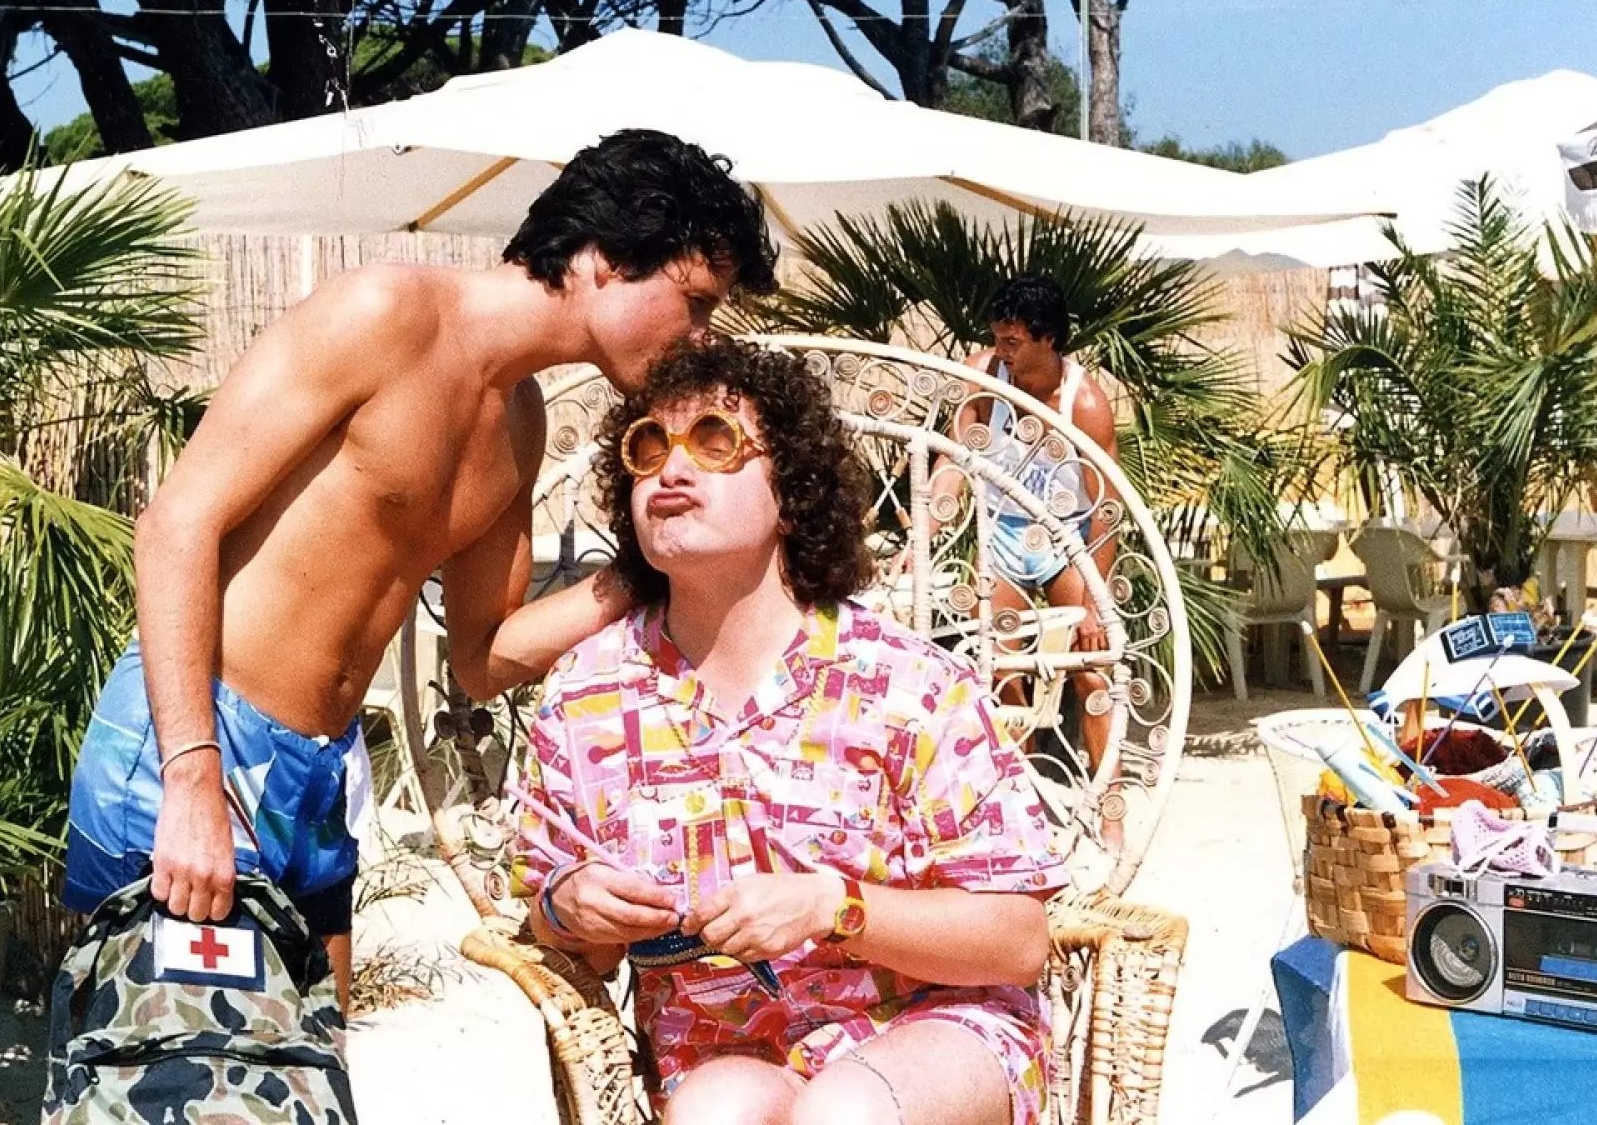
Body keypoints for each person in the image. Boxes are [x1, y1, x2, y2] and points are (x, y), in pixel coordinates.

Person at [61, 129, 777, 1003]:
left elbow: (482, 658)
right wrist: (192, 776)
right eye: (696, 300)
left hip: (321, 771)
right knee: (167, 1079)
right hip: (200, 738)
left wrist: (646, 573)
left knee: (305, 1083)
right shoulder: (383, 312)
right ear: (603, 258)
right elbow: (176, 524)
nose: (701, 336)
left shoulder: (519, 423)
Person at [513, 340, 1067, 1125]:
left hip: (935, 1027)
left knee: (845, 1113)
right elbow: (562, 932)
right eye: (648, 447)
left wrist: (834, 908)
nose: (671, 471)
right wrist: (570, 906)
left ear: (793, 491)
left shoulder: (908, 685)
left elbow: (1019, 938)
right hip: (720, 1049)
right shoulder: (586, 696)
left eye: (714, 441)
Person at [930, 274, 1122, 848]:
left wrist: (1093, 601)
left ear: (1048, 340)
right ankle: (1024, 804)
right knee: (1001, 672)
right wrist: (929, 526)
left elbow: (1107, 508)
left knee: (1094, 669)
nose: (1003, 351)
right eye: (999, 338)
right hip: (1003, 538)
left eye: (1014, 342)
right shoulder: (985, 373)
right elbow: (954, 458)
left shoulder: (1084, 402)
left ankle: (1109, 805)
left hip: (1066, 542)